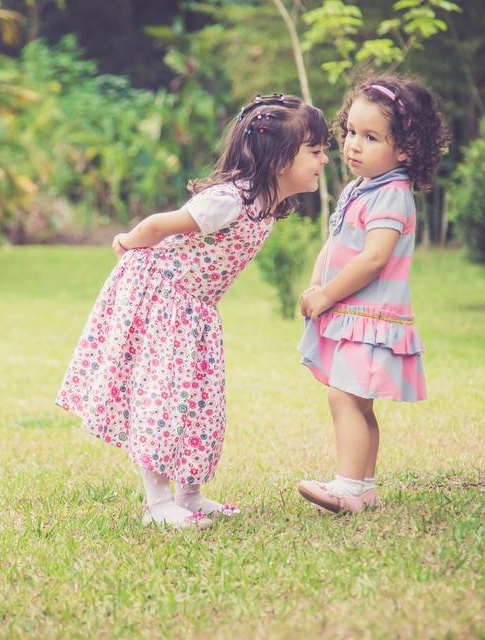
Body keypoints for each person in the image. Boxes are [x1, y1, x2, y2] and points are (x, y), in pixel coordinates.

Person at [56, 94, 330, 529]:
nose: (324, 159)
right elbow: (161, 225)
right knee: (165, 396)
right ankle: (157, 503)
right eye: (314, 150)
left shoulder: (266, 207)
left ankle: (189, 494)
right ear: (279, 158)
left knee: (198, 400)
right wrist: (127, 242)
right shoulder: (229, 200)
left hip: (195, 307)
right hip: (163, 295)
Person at [295, 75, 449, 514]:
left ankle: (348, 486)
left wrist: (328, 296)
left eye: (370, 137)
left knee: (345, 397)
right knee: (357, 402)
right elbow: (336, 242)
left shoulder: (393, 196)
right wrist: (315, 284)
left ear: (405, 149)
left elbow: (373, 258)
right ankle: (363, 487)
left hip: (372, 318)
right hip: (355, 314)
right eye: (350, 133)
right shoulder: (362, 189)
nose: (353, 146)